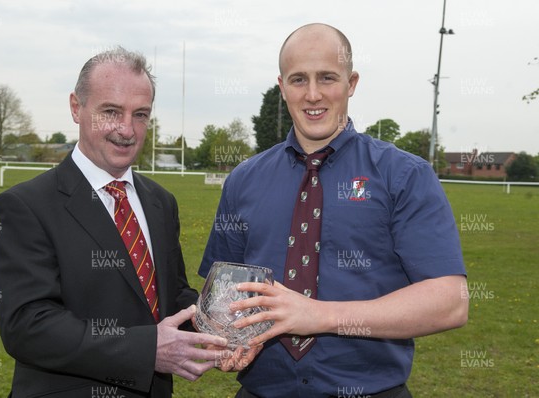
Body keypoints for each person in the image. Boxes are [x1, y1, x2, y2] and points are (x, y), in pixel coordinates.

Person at [199, 23, 468, 398]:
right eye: (298, 80)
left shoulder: (404, 175)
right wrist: (225, 336)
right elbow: (222, 293)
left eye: (327, 77)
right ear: (282, 87)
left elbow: (449, 302)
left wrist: (319, 315)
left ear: (351, 82)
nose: (313, 95)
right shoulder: (243, 179)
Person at [0, 47, 231, 398]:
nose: (126, 130)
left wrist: (218, 323)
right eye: (111, 112)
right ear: (76, 107)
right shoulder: (24, 206)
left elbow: (172, 292)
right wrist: (148, 349)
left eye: (141, 114)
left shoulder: (161, 202)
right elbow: (28, 326)